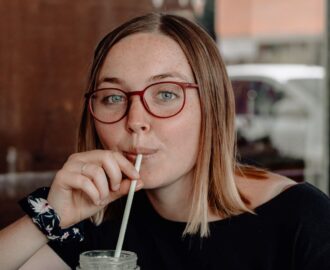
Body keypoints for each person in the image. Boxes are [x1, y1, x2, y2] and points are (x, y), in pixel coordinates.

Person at [1, 12, 330, 270]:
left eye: (166, 94)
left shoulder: (302, 220)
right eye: (113, 98)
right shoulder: (97, 217)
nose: (136, 121)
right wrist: (49, 216)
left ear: (212, 107)